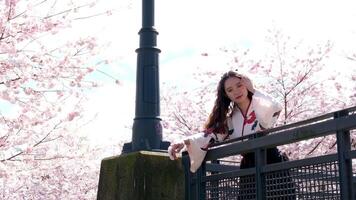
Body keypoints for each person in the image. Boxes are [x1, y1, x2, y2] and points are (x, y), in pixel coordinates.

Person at [168, 70, 295, 199]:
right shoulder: (230, 119)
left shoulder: (261, 105)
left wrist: (253, 89)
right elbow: (210, 136)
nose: (236, 91)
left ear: (247, 84)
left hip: (272, 162)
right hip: (248, 168)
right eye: (230, 90)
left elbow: (275, 108)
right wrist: (183, 142)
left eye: (239, 85)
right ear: (226, 95)